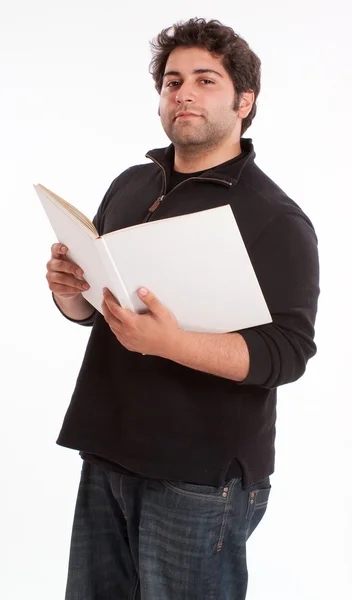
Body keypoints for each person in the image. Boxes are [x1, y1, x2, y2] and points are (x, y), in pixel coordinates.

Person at [45, 17, 320, 600]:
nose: (184, 94)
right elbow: (97, 310)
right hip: (109, 451)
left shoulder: (275, 217)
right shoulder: (131, 183)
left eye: (205, 80)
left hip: (201, 477)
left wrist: (171, 344)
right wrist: (70, 289)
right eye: (172, 82)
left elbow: (288, 353)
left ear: (244, 101)